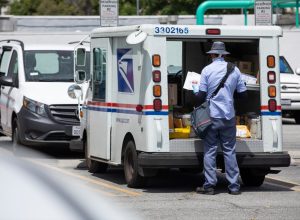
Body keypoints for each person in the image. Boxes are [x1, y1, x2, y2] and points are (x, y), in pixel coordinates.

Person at [192, 41, 247, 195]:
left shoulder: (206, 70)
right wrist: (229, 93)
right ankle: (234, 186)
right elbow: (243, 95)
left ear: (212, 55)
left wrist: (194, 90)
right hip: (228, 116)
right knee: (230, 151)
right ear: (224, 55)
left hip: (212, 117)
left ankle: (209, 186)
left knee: (210, 150)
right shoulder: (235, 70)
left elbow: (200, 97)